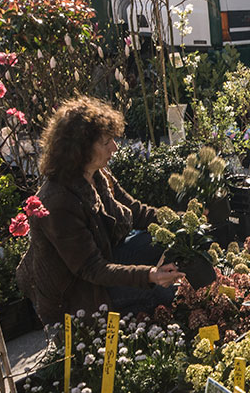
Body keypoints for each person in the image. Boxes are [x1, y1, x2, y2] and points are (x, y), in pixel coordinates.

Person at [17, 96, 183, 325]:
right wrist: (149, 275)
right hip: (79, 295)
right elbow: (92, 268)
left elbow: (136, 211)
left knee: (163, 238)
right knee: (162, 293)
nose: (115, 148)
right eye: (106, 142)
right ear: (81, 149)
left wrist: (182, 221)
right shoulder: (57, 202)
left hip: (103, 260)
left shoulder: (96, 173)